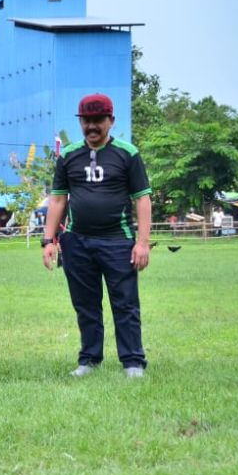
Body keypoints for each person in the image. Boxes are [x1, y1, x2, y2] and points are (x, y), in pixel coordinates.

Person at [43, 94, 152, 378]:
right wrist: (48, 240)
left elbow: (142, 200)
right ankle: (89, 360)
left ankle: (132, 362)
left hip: (118, 241)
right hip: (77, 242)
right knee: (85, 304)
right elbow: (57, 200)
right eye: (86, 121)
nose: (92, 126)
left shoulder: (128, 154)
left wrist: (142, 242)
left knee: (125, 303)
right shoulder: (67, 156)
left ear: (111, 121)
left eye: (98, 121)